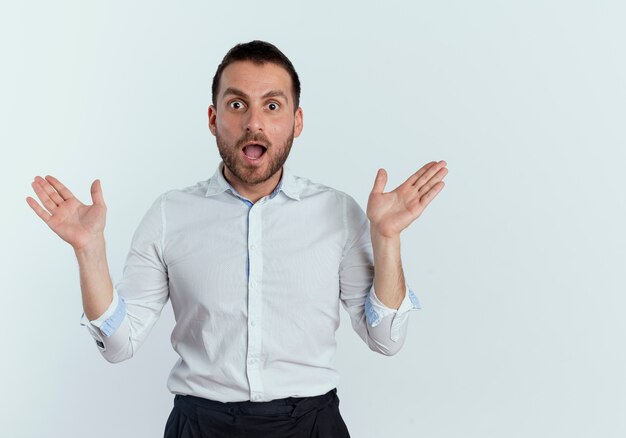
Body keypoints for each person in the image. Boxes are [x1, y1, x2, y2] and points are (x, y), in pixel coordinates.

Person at [26, 40, 448, 437]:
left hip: (311, 424)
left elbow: (386, 339)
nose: (254, 122)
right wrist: (89, 250)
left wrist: (387, 237)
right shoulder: (170, 214)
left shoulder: (337, 212)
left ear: (296, 121)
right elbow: (118, 345)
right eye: (236, 104)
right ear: (213, 118)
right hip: (200, 424)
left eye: (272, 105)